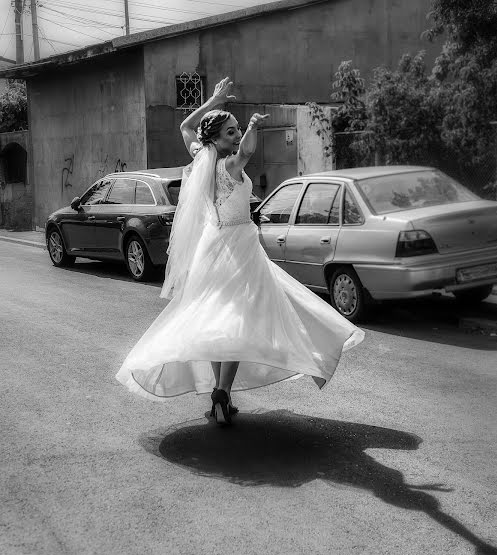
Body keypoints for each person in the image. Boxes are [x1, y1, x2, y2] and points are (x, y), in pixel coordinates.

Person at [116, 77, 364, 425]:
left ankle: (223, 394)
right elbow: (247, 151)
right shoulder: (228, 166)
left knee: (220, 320)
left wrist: (213, 100)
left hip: (211, 246)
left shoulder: (200, 156)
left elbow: (186, 125)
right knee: (239, 319)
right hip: (237, 248)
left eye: (236, 130)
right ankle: (222, 393)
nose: (235, 137)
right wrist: (251, 126)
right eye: (229, 132)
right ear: (216, 139)